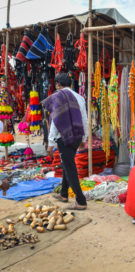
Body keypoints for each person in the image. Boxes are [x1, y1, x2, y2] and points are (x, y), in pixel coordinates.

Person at [42, 73, 88, 210]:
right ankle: (63, 194)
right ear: (71, 84)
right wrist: (83, 138)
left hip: (64, 138)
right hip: (77, 136)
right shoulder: (79, 97)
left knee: (69, 167)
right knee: (67, 163)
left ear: (58, 84)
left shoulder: (57, 96)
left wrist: (50, 144)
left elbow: (56, 122)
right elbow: (85, 119)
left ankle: (81, 201)